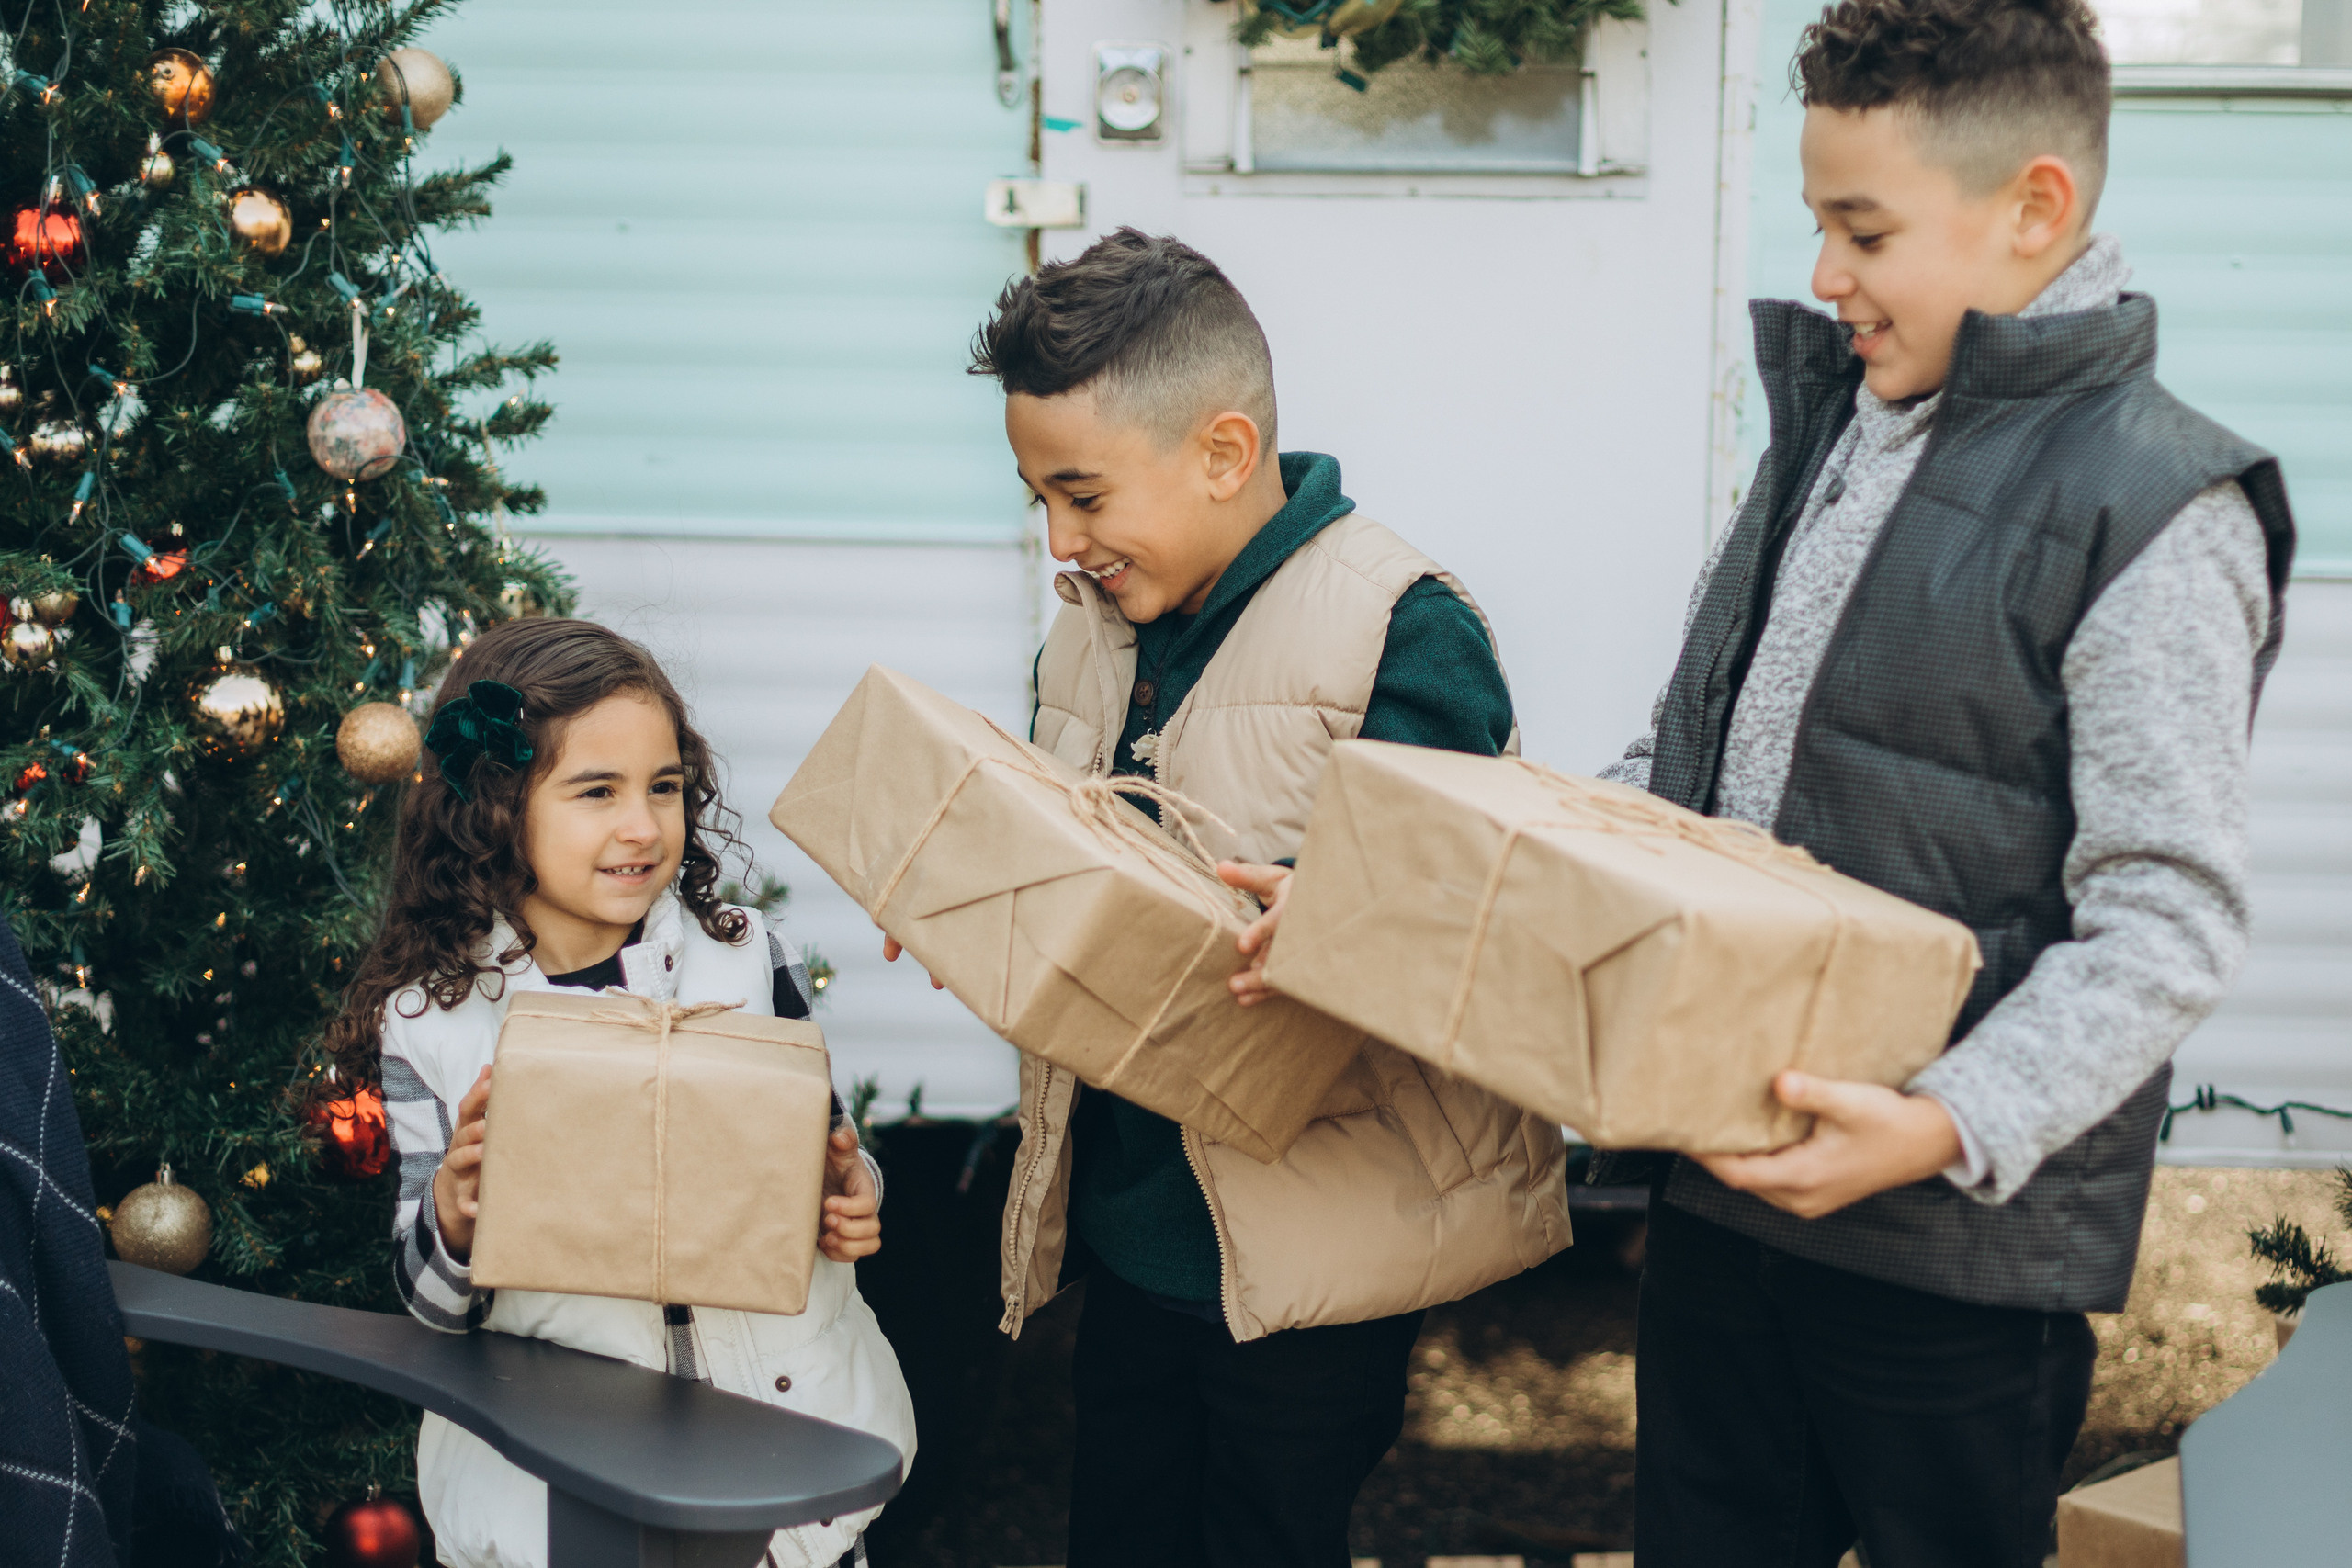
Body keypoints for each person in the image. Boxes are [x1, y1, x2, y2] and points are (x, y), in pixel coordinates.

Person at [1591, 1, 2294, 1562]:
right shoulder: (1835, 428)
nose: (1827, 276)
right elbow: (1685, 767)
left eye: (1865, 229)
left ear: (2035, 208)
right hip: (1723, 1212)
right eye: (1817, 225)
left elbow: (2168, 918)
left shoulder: (2159, 507)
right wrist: (1420, 886)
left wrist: (1935, 1121)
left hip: (1951, 1272)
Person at [922, 228, 1571, 1568]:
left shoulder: (1399, 625)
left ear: (1223, 453)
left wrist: (1342, 921)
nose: (1059, 539)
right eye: (1036, 497)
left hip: (1309, 1258)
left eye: (1085, 495)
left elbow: (1477, 922)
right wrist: (985, 913)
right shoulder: (1094, 625)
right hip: (1137, 1229)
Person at [319, 617, 915, 1568]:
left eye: (665, 788)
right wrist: (456, 1216)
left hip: (782, 1446)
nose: (642, 826)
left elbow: (831, 1147)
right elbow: (431, 1305)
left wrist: (852, 1196)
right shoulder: (431, 1023)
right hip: (566, 1491)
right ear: (495, 807)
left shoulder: (745, 962)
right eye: (596, 792)